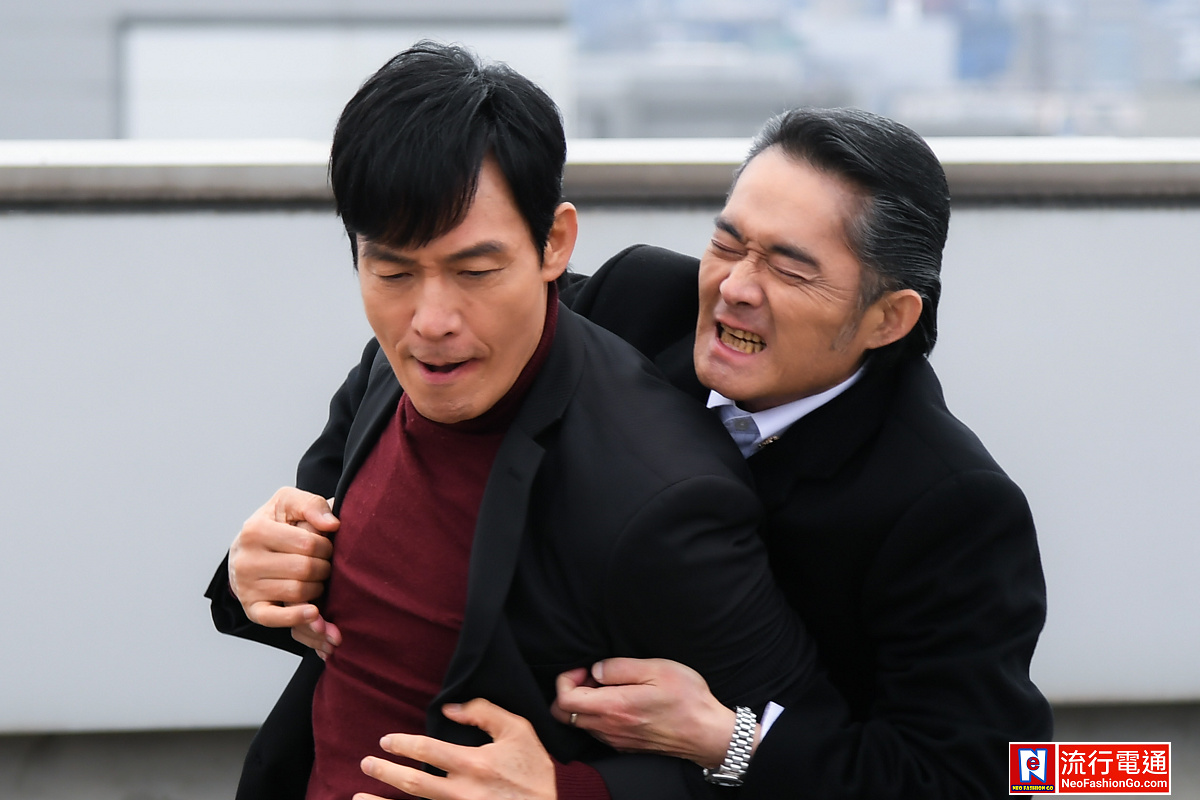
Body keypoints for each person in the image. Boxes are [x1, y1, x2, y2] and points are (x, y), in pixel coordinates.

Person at [205, 42, 813, 800]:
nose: (430, 321)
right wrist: (251, 576)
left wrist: (570, 792)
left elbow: (799, 761)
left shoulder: (663, 491)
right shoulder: (386, 372)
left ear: (554, 242)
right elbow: (323, 581)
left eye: (475, 272)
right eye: (392, 271)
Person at [552, 107, 1053, 798]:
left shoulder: (952, 507)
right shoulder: (635, 303)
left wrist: (725, 739)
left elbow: (971, 777)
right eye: (727, 244)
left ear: (887, 318)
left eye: (789, 271)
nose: (734, 289)